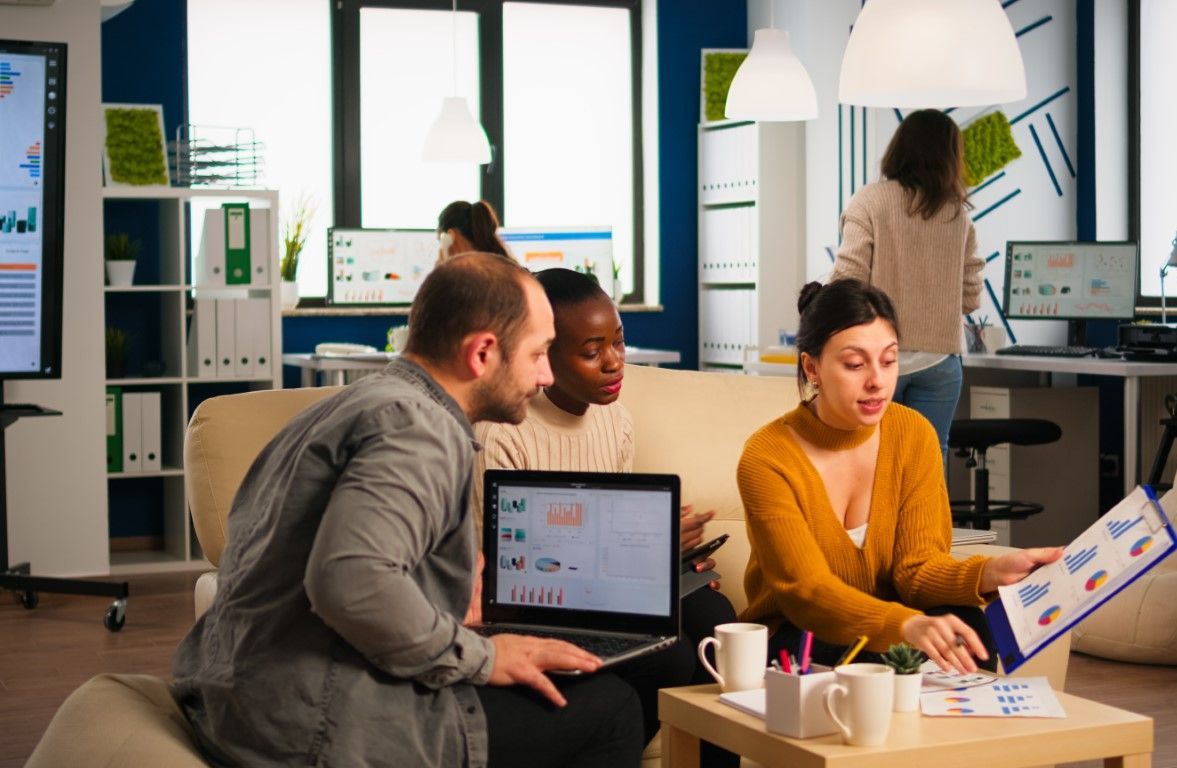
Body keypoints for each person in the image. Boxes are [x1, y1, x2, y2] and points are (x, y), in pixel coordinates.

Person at [172, 253, 643, 768]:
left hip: (232, 696)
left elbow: (298, 555)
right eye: (538, 354)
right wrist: (485, 657)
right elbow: (348, 579)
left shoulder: (351, 405)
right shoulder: (418, 429)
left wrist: (442, 605)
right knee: (613, 706)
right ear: (483, 353)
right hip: (308, 723)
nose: (545, 375)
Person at [469, 268, 738, 756]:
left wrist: (666, 562)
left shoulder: (615, 418)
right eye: (591, 352)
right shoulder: (503, 434)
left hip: (607, 584)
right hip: (536, 601)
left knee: (716, 616)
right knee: (672, 658)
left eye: (618, 342)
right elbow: (514, 568)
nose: (614, 363)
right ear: (544, 356)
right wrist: (641, 554)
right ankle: (599, 737)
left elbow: (608, 530)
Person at [736, 278, 1061, 673]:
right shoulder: (768, 457)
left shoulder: (913, 434)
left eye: (889, 361)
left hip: (897, 623)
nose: (877, 380)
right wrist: (905, 624)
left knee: (969, 625)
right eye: (855, 365)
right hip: (800, 635)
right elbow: (808, 593)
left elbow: (917, 569)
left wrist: (990, 572)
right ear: (811, 367)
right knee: (876, 656)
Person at [831, 108, 984, 466]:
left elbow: (846, 281)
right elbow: (971, 296)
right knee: (927, 464)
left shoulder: (870, 201)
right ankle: (925, 525)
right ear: (951, 157)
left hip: (877, 361)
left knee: (871, 462)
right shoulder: (957, 214)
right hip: (939, 363)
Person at [438, 199, 515, 263]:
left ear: (451, 236)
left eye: (440, 240)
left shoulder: (462, 277)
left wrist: (443, 268)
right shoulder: (509, 267)